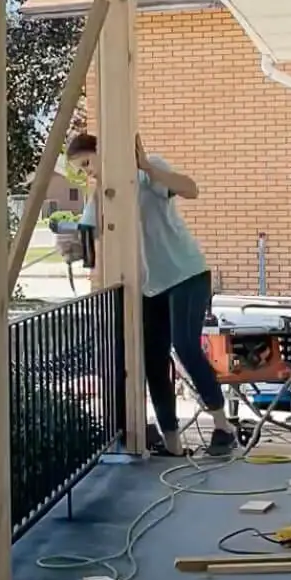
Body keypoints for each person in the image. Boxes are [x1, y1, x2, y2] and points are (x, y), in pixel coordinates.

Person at [67, 130, 235, 458]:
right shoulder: (104, 191)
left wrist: (145, 165)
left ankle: (223, 427)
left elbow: (192, 189)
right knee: (153, 361)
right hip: (150, 284)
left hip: (186, 273)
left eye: (88, 163)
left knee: (186, 346)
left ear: (103, 152)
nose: (90, 173)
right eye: (83, 170)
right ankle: (173, 445)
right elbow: (87, 238)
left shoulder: (148, 171)